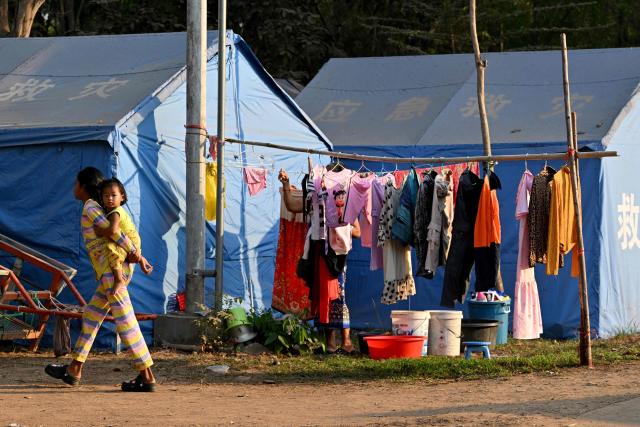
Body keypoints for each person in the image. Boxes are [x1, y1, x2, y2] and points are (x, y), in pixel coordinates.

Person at [45, 167, 157, 392]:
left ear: (84, 186)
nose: (73, 188)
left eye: (76, 183)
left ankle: (147, 376)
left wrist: (137, 254)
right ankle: (74, 369)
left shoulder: (90, 206)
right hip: (108, 271)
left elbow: (111, 231)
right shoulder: (96, 206)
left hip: (112, 271)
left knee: (125, 321)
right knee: (91, 317)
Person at [278, 168, 359, 354]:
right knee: (323, 296)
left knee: (341, 297)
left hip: (338, 257)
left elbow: (358, 231)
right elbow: (292, 205)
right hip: (319, 254)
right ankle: (330, 342)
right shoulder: (315, 197)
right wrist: (285, 184)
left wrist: (340, 226)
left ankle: (346, 341)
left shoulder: (345, 202)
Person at [97, 178, 153, 295]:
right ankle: (141, 260)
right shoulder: (113, 211)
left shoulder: (115, 213)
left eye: (113, 195)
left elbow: (113, 231)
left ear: (122, 197)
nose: (110, 199)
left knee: (111, 249)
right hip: (133, 241)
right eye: (106, 196)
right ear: (101, 198)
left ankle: (118, 279)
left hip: (130, 241)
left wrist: (100, 231)